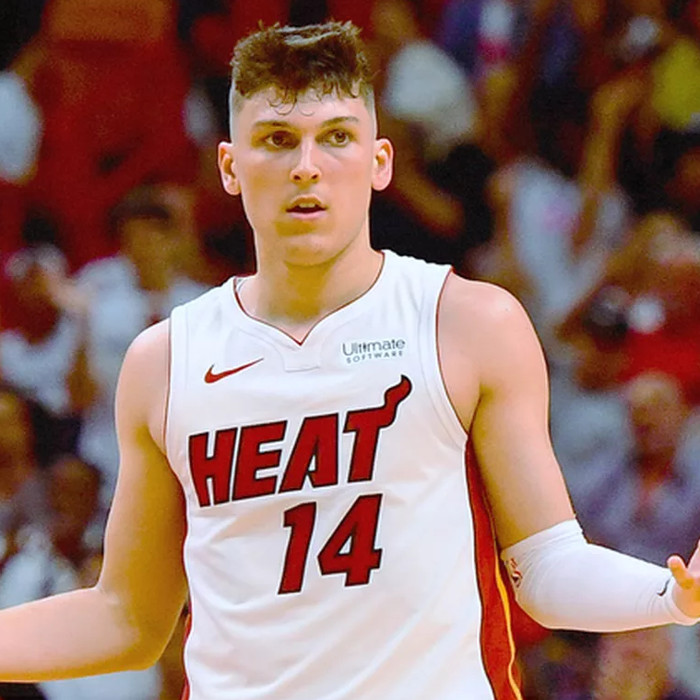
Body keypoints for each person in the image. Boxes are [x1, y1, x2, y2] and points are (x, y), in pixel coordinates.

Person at [0, 20, 699, 700]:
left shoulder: (465, 323)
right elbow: (127, 617)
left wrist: (670, 595)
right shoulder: (166, 359)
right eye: (277, 139)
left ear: (380, 161)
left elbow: (545, 567)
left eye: (335, 137)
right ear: (230, 167)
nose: (307, 166)